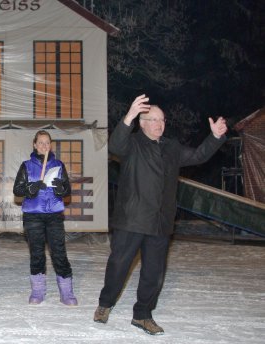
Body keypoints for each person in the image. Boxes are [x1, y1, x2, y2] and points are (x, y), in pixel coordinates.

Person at [93, 95, 228, 335]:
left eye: (162, 119)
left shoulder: (171, 147)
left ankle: (143, 314)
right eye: (153, 119)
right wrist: (129, 116)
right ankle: (105, 303)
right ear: (142, 123)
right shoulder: (132, 144)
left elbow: (198, 155)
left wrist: (215, 137)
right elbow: (114, 146)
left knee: (154, 274)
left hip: (160, 222)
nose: (159, 123)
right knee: (118, 266)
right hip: (132, 219)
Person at [13, 130, 78, 306]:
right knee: (37, 253)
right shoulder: (26, 165)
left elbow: (67, 190)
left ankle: (66, 292)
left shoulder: (58, 164)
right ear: (34, 144)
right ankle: (38, 291)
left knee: (59, 253)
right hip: (33, 215)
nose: (44, 146)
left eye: (47, 143)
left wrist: (60, 189)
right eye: (40, 142)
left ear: (51, 145)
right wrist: (30, 188)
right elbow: (17, 190)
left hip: (54, 215)